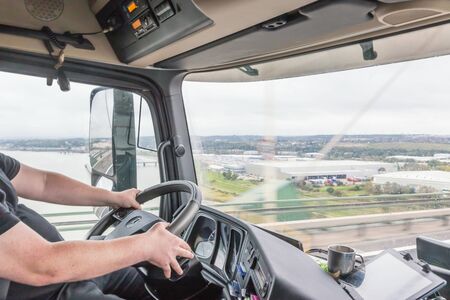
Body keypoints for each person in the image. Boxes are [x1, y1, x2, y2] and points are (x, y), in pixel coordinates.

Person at [0, 152, 193, 299]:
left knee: (134, 276)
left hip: (67, 274)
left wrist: (114, 198)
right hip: (48, 290)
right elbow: (40, 265)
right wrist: (147, 245)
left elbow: (44, 183)